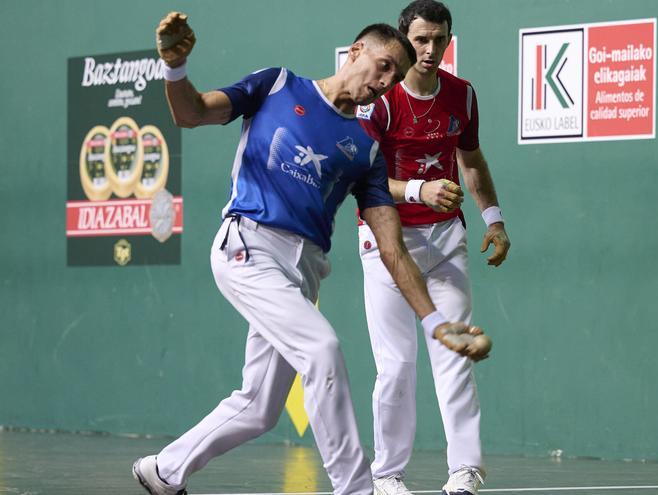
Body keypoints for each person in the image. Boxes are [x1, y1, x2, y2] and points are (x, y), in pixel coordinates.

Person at [133, 12, 484, 495]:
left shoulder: (365, 150)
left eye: (392, 79)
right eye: (381, 66)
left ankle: (164, 470)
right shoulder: (278, 86)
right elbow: (191, 112)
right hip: (249, 247)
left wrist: (434, 322)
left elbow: (392, 249)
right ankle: (356, 489)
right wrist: (175, 68)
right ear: (355, 51)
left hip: (303, 274)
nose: (383, 84)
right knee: (322, 351)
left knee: (259, 405)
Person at [356, 2, 510, 494]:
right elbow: (367, 178)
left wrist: (494, 219)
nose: (429, 50)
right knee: (396, 366)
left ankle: (465, 471)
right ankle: (387, 475)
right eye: (420, 40)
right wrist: (420, 189)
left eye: (439, 39)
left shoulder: (462, 96)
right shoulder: (381, 99)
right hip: (387, 244)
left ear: (448, 40)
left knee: (456, 356)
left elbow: (472, 159)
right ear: (404, 41)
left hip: (446, 244)